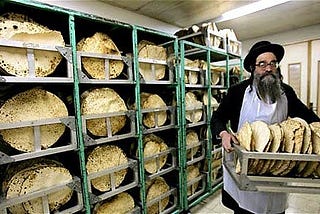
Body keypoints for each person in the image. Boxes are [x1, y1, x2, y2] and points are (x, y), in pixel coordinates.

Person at [211, 40, 320, 214]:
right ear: (253, 68)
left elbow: (310, 118)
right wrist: (223, 133)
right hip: (244, 169)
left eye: (272, 63)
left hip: (276, 170)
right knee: (245, 209)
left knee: (274, 208)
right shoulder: (238, 92)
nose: (268, 68)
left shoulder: (286, 93)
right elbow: (218, 118)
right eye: (262, 64)